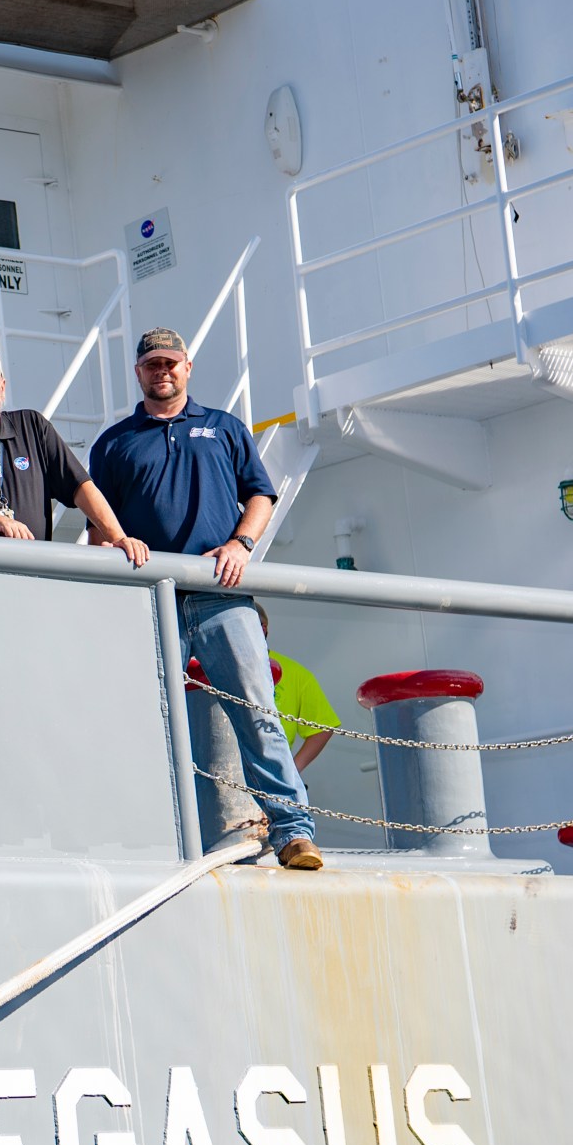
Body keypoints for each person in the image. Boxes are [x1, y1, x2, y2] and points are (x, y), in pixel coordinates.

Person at [88, 327, 324, 870]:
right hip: (150, 601)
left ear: (187, 367)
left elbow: (260, 495)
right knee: (142, 719)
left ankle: (292, 833)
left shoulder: (225, 429)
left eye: (171, 362)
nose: (162, 371)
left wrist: (242, 544)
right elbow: (101, 528)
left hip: (223, 597)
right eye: (152, 364)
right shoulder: (115, 443)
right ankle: (148, 836)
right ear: (139, 373)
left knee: (259, 717)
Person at [0, 345, 148, 566]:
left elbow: (80, 487)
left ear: (2, 386)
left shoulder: (32, 426)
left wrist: (118, 538)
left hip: (34, 574)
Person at [257, 603, 339, 773]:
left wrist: (293, 770)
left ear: (263, 629)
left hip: (272, 771)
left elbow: (324, 727)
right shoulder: (218, 666)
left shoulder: (296, 673)